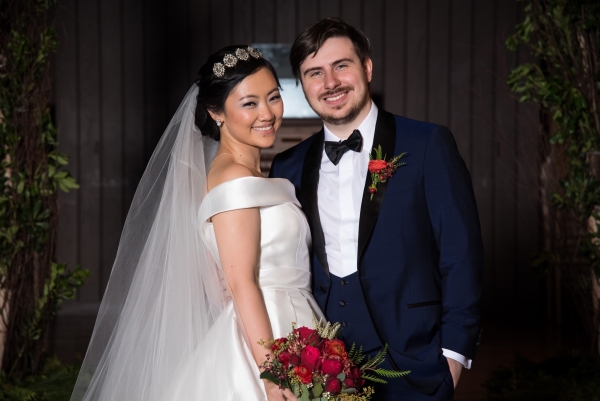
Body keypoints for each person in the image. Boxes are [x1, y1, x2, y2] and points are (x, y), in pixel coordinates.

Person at [69, 45, 323, 401]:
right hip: (269, 337)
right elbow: (241, 283)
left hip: (291, 323)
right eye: (249, 103)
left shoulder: (246, 173)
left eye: (274, 97)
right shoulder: (233, 178)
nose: (267, 113)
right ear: (215, 112)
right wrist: (271, 375)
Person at [269, 19, 484, 401]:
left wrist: (453, 356)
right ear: (303, 86)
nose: (330, 82)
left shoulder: (427, 144)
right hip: (321, 365)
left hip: (416, 359)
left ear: (366, 67)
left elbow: (461, 254)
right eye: (314, 73)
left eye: (342, 65)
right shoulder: (286, 166)